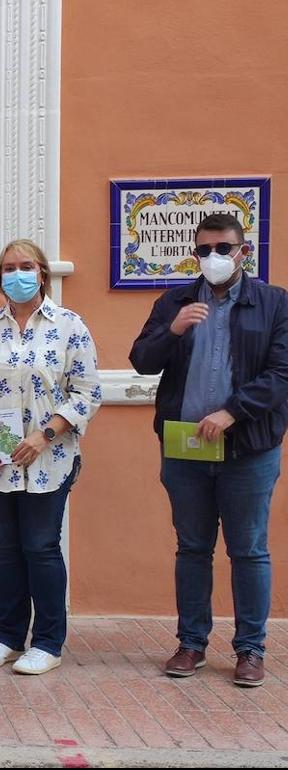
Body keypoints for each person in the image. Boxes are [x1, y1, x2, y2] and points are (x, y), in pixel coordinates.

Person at [130, 213, 288, 688]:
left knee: (248, 550)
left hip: (248, 449)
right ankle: (191, 643)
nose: (212, 258)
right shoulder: (175, 301)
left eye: (223, 248)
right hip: (185, 449)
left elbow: (281, 375)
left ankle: (251, 650)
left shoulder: (274, 303)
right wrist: (172, 330)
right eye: (203, 250)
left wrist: (233, 412)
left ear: (244, 251)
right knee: (193, 548)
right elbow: (141, 362)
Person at [0, 239, 101, 675]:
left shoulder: (70, 325)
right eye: (10, 267)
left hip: (48, 460)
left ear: (42, 273)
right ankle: (8, 636)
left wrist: (44, 435)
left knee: (41, 547)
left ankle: (49, 642)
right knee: (7, 549)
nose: (18, 274)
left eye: (26, 266)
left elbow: (87, 392)